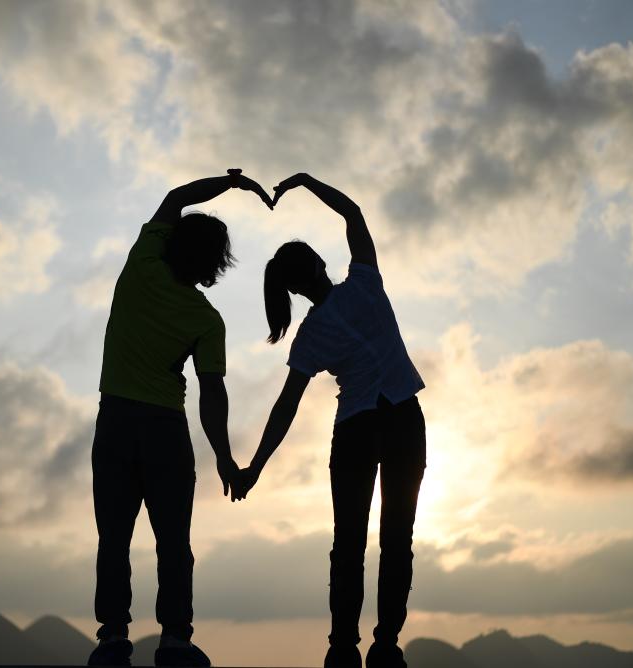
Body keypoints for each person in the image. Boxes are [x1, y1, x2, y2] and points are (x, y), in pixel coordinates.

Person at [233, 173, 426, 668]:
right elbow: (354, 214)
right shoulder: (364, 282)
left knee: (350, 542)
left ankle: (345, 647)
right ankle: (383, 645)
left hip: (360, 428)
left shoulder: (310, 333)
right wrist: (305, 183)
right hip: (401, 419)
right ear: (317, 265)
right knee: (395, 539)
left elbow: (286, 408)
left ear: (293, 289)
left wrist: (254, 467)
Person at [89, 169, 273, 667]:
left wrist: (230, 182)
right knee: (174, 543)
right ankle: (174, 641)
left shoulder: (142, 262)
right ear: (215, 263)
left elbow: (176, 196)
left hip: (116, 424)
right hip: (165, 433)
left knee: (115, 538)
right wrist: (224, 457)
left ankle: (112, 639)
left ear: (173, 242)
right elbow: (212, 393)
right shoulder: (207, 319)